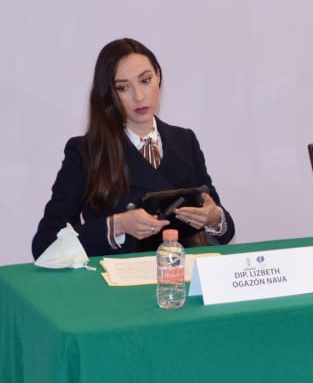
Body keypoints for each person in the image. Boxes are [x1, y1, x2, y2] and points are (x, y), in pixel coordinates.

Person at [32, 38, 234, 259]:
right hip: (118, 279)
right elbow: (45, 244)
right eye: (123, 88)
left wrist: (214, 218)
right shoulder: (85, 152)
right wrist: (117, 226)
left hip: (183, 274)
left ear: (158, 76)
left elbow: (225, 230)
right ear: (109, 93)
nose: (139, 96)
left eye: (145, 80)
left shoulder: (185, 140)